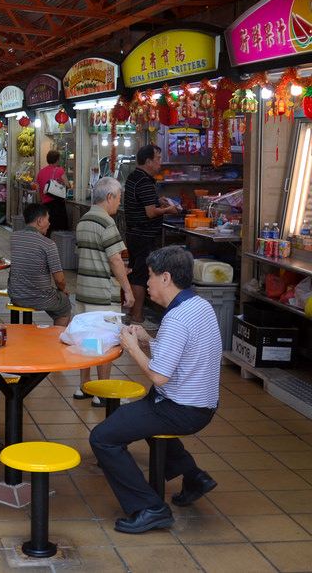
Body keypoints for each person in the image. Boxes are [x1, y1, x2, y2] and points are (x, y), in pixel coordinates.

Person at [90, 246, 220, 534]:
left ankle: (150, 508)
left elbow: (159, 376)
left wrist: (133, 348)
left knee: (102, 438)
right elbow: (182, 356)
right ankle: (193, 476)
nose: (145, 283)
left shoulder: (176, 319)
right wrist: (148, 340)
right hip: (203, 405)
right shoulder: (200, 306)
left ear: (166, 278)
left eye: (149, 276)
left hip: (181, 409)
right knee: (142, 414)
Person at [75, 177, 134, 404]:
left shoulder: (83, 221)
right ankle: (102, 393)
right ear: (109, 197)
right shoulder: (107, 224)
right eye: (118, 198)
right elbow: (115, 260)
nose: (119, 204)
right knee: (105, 342)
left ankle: (84, 387)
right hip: (102, 295)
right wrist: (127, 290)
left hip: (84, 292)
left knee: (88, 341)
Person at [124, 144, 181, 326]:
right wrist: (168, 210)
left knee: (135, 272)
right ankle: (137, 315)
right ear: (147, 161)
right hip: (143, 235)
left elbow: (144, 204)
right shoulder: (145, 181)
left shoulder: (134, 177)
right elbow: (150, 213)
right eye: (157, 159)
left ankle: (133, 311)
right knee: (141, 275)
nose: (160, 163)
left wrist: (158, 201)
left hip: (134, 233)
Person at [8, 203, 72, 327]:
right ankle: (56, 338)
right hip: (39, 298)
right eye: (48, 220)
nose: (49, 224)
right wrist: (63, 290)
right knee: (64, 305)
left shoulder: (14, 238)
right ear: (39, 221)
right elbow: (59, 280)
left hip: (15, 295)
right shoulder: (48, 244)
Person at [36, 150, 71, 235]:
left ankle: (47, 245)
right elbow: (68, 185)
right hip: (57, 205)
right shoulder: (59, 171)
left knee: (47, 228)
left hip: (45, 205)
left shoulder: (41, 172)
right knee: (59, 229)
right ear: (57, 160)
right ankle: (58, 245)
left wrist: (40, 199)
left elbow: (37, 188)